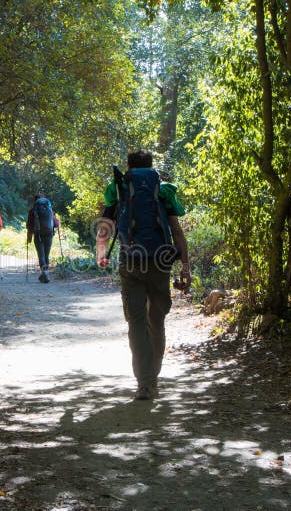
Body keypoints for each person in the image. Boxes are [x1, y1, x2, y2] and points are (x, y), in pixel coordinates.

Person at [95, 149, 191, 401]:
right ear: (151, 166)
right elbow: (176, 231)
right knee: (156, 321)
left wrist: (101, 254)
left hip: (130, 261)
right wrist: (186, 265)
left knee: (136, 322)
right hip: (161, 261)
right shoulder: (164, 190)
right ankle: (153, 378)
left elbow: (104, 229)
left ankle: (144, 383)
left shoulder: (118, 188)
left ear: (129, 166)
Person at [26, 193, 60, 283]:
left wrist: (29, 238)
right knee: (46, 255)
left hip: (38, 236)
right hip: (49, 235)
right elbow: (56, 224)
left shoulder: (32, 211)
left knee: (41, 255)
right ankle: (45, 273)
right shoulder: (49, 209)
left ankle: (44, 273)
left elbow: (29, 226)